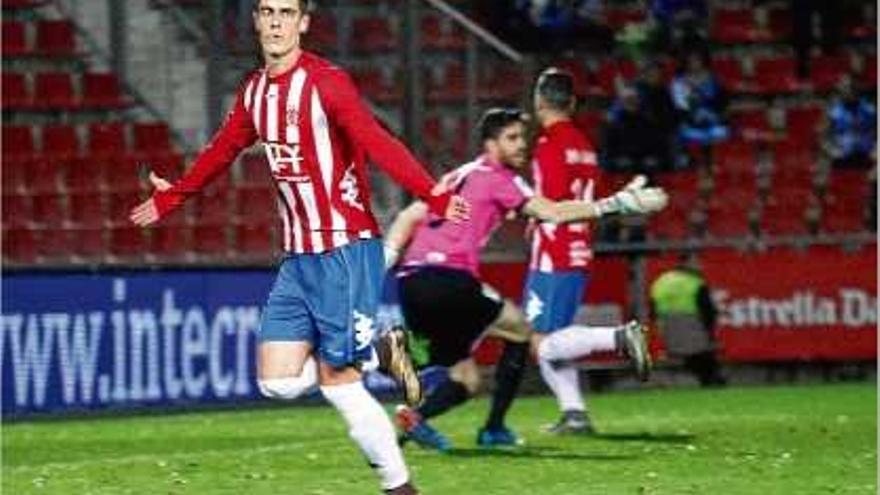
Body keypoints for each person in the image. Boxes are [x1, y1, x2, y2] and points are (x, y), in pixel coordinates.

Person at [129, 1, 470, 493]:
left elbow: (377, 140)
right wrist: (176, 195)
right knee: (277, 381)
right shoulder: (254, 93)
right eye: (266, 11)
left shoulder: (327, 82)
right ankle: (375, 349)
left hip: (346, 248)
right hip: (299, 258)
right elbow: (223, 149)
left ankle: (400, 486)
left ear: (303, 22)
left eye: (286, 12)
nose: (275, 21)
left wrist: (433, 193)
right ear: (255, 20)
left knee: (337, 380)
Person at [383, 108, 666, 450]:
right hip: (449, 280)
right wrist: (617, 203)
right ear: (490, 144)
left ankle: (414, 412)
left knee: (465, 377)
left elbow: (409, 214)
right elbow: (553, 213)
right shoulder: (499, 176)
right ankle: (494, 428)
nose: (521, 146)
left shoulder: (456, 176)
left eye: (522, 138)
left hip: (411, 282)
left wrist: (388, 254)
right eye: (512, 138)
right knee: (522, 331)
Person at [525, 68, 653, 435]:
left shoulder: (550, 144)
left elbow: (549, 203)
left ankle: (618, 338)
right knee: (555, 339)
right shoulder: (584, 144)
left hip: (553, 248)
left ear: (539, 101)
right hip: (580, 245)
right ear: (573, 103)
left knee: (541, 341)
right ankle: (575, 413)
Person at [649, 252, 726, 387]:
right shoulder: (695, 283)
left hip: (669, 332)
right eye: (696, 262)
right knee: (705, 355)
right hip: (693, 331)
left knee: (694, 353)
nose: (700, 265)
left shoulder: (661, 280)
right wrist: (710, 335)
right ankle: (711, 381)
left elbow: (652, 309)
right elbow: (708, 313)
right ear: (687, 263)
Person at [822, 76, 876, 169]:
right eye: (845, 88)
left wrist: (875, 148)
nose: (848, 92)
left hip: (867, 152)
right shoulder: (835, 112)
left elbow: (876, 130)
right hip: (841, 153)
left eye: (851, 89)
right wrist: (831, 149)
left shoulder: (869, 109)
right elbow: (825, 135)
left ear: (857, 90)